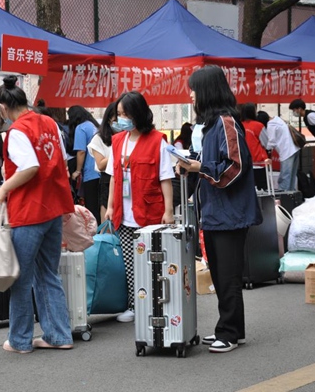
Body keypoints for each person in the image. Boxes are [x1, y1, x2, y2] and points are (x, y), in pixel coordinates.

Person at [177, 65, 261, 353]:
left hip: (230, 213)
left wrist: (201, 167)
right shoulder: (212, 126)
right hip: (215, 211)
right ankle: (230, 329)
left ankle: (229, 331)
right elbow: (214, 163)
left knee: (228, 277)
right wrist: (190, 163)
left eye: (194, 89)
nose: (190, 94)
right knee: (220, 275)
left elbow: (235, 167)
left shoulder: (226, 123)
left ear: (207, 92)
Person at [0, 75, 74, 353]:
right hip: (54, 208)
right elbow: (61, 161)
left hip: (29, 211)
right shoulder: (50, 122)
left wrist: (3, 188)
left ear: (3, 107)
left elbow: (29, 167)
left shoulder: (16, 131)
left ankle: (20, 340)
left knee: (21, 277)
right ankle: (59, 335)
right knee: (48, 274)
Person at [105, 91, 175, 323]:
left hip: (149, 212)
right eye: (119, 114)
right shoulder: (117, 141)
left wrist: (168, 210)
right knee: (130, 262)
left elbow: (165, 177)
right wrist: (110, 206)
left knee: (152, 261)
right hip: (124, 214)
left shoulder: (157, 141)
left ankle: (156, 303)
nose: (121, 118)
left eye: (125, 114)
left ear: (139, 114)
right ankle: (135, 305)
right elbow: (114, 176)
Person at [69, 105, 101, 224]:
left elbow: (81, 151)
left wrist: (77, 171)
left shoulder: (81, 128)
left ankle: (96, 236)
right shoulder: (94, 126)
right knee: (101, 205)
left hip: (91, 173)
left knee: (92, 206)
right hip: (101, 171)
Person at [87, 102, 117, 221]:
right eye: (117, 117)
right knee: (108, 220)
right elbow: (100, 165)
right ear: (109, 119)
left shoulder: (128, 136)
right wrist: (119, 154)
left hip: (126, 179)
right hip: (107, 180)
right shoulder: (99, 139)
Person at [289, 99, 315, 192]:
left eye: (294, 110)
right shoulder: (307, 116)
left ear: (300, 109)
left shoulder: (310, 116)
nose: (294, 112)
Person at [265, 112, 300, 191]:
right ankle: (291, 197)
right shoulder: (278, 119)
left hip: (287, 152)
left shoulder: (271, 124)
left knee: (285, 177)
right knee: (291, 177)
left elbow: (271, 142)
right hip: (295, 149)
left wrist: (266, 148)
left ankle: (284, 198)